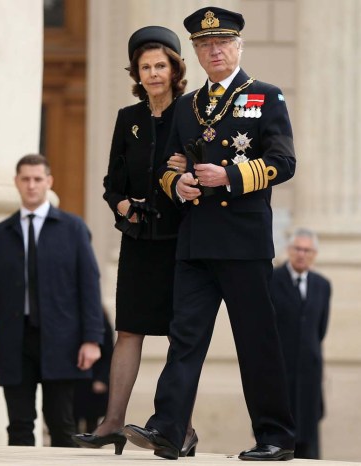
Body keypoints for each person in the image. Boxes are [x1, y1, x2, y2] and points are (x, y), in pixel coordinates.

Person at [123, 7, 297, 460]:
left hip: (243, 243)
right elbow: (168, 165)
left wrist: (230, 178)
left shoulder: (265, 96)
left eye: (222, 43)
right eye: (204, 45)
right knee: (185, 339)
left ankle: (276, 436)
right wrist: (174, 184)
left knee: (256, 342)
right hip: (196, 240)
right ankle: (168, 427)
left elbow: (284, 162)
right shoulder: (187, 106)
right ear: (197, 54)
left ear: (238, 46)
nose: (214, 50)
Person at [73, 26, 197, 457]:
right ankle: (111, 422)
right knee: (128, 330)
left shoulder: (193, 113)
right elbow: (111, 182)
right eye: (145, 67)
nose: (153, 73)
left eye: (160, 65)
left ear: (175, 68)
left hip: (182, 243)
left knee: (183, 337)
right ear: (137, 73)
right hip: (140, 239)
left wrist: (191, 164)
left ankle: (180, 428)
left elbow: (207, 172)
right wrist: (121, 205)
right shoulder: (128, 118)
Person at [0, 154, 104, 448]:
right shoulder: (1, 234)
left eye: (37, 179)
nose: (31, 186)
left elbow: (89, 286)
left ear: (49, 182)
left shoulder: (73, 229)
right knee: (19, 425)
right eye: (25, 179)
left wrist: (92, 339)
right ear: (16, 183)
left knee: (61, 423)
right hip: (14, 340)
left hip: (62, 339)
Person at [271, 228, 331, 459]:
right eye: (298, 249)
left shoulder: (322, 286)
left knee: (309, 443)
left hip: (309, 374)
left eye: (307, 250)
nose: (302, 254)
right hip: (280, 372)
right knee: (278, 440)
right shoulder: (273, 279)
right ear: (289, 250)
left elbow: (320, 329)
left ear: (314, 254)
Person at [73, 310, 114, 434]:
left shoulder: (99, 320)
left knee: (92, 424)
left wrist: (101, 379)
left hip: (93, 381)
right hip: (73, 379)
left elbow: (109, 354)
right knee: (71, 423)